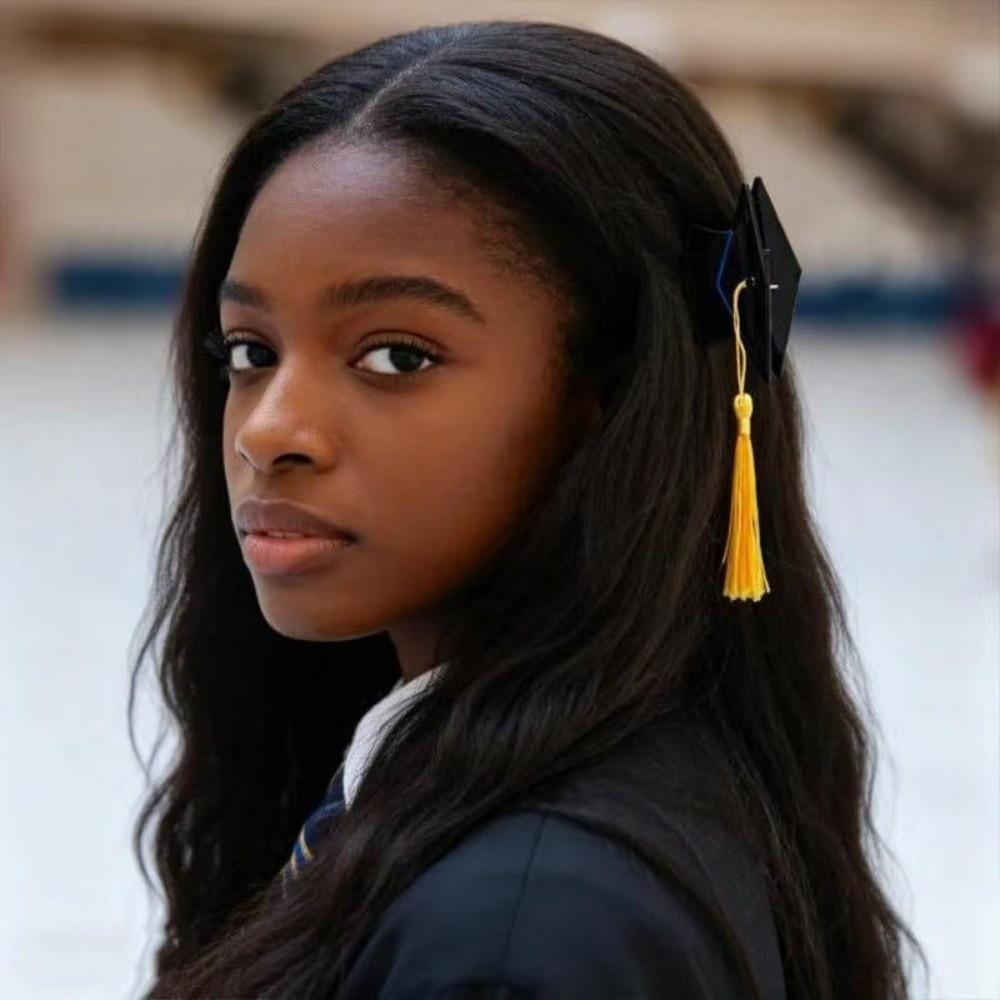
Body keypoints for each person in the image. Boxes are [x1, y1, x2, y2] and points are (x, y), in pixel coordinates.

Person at [130, 19, 926, 999]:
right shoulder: (585, 785)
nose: (268, 430)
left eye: (395, 356)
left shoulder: (526, 935)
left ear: (608, 399)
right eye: (250, 352)